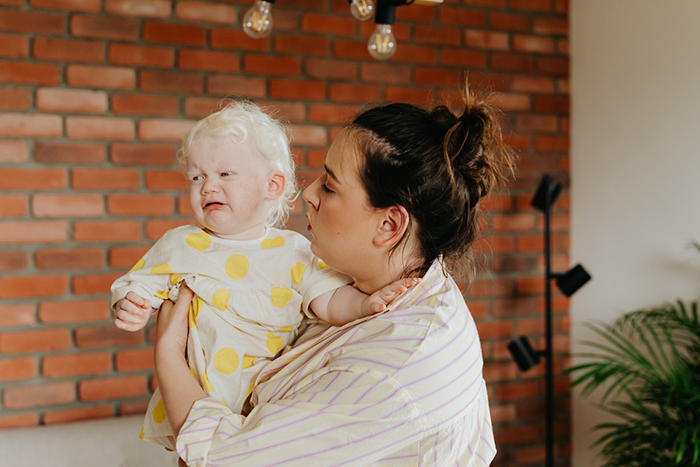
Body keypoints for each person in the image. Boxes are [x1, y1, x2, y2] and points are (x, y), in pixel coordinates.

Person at [154, 87, 516, 466]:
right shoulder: (363, 286)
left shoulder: (396, 364)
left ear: (389, 224)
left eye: (329, 185)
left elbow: (224, 459)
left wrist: (169, 354)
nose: (308, 193)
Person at [110, 100, 416, 450]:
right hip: (194, 398)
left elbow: (329, 301)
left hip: (263, 405)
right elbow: (139, 283)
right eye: (197, 177)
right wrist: (130, 304)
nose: (208, 187)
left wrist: (365, 304)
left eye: (225, 174)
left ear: (273, 185)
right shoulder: (180, 244)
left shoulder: (295, 252)